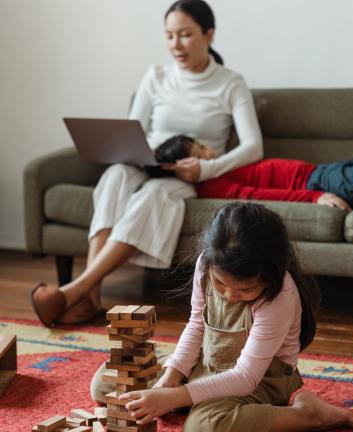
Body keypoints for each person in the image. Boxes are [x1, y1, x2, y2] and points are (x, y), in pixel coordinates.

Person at [30, 0, 263, 327]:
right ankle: (90, 299)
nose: (175, 45)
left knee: (154, 195)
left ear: (209, 34)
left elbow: (254, 147)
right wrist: (139, 153)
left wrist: (204, 168)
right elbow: (132, 128)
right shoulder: (155, 76)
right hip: (146, 160)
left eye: (185, 35)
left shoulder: (230, 83)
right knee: (114, 176)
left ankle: (74, 292)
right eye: (169, 36)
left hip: (187, 174)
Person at [90, 202, 353, 432]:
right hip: (207, 365)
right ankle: (193, 400)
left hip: (259, 381)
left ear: (271, 274)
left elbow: (246, 377)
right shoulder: (205, 265)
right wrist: (169, 379)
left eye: (246, 289)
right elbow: (197, 325)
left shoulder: (280, 297)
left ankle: (304, 414)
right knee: (105, 382)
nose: (230, 296)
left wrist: (172, 397)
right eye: (221, 284)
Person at [153, 134, 353, 210]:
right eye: (200, 153)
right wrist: (316, 197)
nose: (209, 151)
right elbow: (259, 196)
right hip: (318, 183)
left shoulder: (224, 165)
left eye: (201, 145)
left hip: (323, 171)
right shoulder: (212, 185)